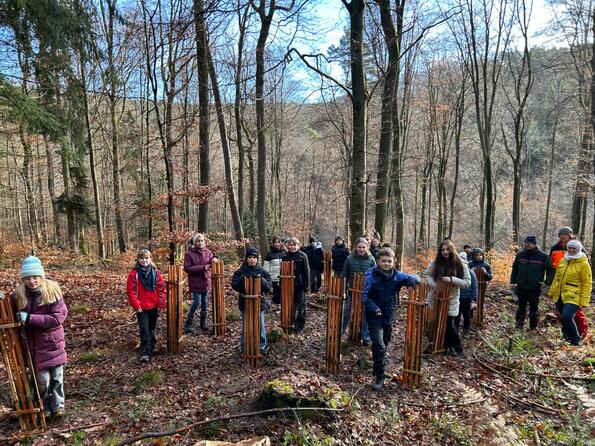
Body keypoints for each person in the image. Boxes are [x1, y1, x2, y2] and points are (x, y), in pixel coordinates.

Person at [13, 256, 68, 418]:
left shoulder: (52, 292)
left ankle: (59, 406)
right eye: (28, 278)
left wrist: (29, 318)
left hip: (53, 343)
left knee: (57, 377)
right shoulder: (18, 295)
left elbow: (57, 318)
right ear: (23, 279)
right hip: (33, 346)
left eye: (35, 277)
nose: (32, 281)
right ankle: (46, 406)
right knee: (43, 380)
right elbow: (8, 312)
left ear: (41, 276)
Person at [362, 247, 420, 391]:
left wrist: (411, 282)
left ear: (394, 261)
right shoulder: (371, 276)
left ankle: (377, 366)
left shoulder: (396, 275)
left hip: (389, 315)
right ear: (378, 261)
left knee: (384, 343)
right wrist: (374, 308)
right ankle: (380, 376)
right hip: (374, 316)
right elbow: (365, 296)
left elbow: (415, 277)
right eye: (384, 261)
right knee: (379, 345)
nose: (386, 264)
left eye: (389, 261)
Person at [424, 240, 471, 356]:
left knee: (449, 325)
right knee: (438, 322)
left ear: (452, 250)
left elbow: (467, 282)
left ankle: (458, 348)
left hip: (451, 298)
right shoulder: (436, 263)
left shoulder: (460, 264)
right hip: (436, 297)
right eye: (443, 250)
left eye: (447, 249)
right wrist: (435, 286)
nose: (445, 252)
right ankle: (444, 347)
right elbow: (427, 274)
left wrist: (452, 279)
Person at [547, 240, 592, 346]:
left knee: (567, 316)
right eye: (569, 248)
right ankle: (566, 338)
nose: (571, 250)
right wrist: (552, 292)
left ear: (578, 250)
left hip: (574, 295)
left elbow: (587, 283)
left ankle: (576, 340)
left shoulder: (584, 264)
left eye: (574, 248)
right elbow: (557, 278)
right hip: (560, 294)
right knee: (562, 317)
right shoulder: (563, 260)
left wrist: (584, 300)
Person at [127, 249, 166, 363]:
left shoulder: (155, 272)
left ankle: (152, 346)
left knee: (152, 327)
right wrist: (136, 305)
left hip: (153, 305)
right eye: (142, 258)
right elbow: (131, 291)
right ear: (138, 260)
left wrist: (161, 302)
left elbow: (160, 288)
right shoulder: (134, 273)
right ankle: (145, 351)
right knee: (144, 329)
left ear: (150, 259)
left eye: (146, 258)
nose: (144, 260)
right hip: (141, 307)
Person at [510, 235, 555, 330]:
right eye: (526, 243)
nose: (527, 245)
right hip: (521, 286)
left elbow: (551, 270)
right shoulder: (520, 255)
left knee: (534, 308)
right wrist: (513, 281)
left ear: (535, 244)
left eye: (529, 243)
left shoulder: (543, 256)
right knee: (521, 307)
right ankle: (519, 326)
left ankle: (533, 327)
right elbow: (515, 269)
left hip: (535, 287)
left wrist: (546, 282)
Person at [231, 247, 272, 354]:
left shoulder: (262, 271)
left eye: (254, 258)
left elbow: (268, 288)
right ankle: (244, 346)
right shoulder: (240, 271)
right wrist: (243, 278)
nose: (252, 260)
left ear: (257, 259)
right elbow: (235, 286)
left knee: (260, 325)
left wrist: (261, 279)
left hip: (259, 303)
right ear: (246, 259)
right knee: (246, 325)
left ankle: (261, 346)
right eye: (250, 257)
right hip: (245, 302)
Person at [341, 237, 376, 345]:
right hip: (352, 291)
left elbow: (375, 276)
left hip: (367, 292)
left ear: (367, 248)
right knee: (347, 312)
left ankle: (365, 336)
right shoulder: (349, 259)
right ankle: (340, 333)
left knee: (366, 314)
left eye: (363, 247)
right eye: (359, 247)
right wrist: (344, 291)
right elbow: (344, 276)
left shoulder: (371, 259)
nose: (361, 249)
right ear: (355, 247)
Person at [183, 233, 216, 333]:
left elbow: (211, 258)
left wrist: (214, 258)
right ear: (194, 242)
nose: (200, 243)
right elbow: (187, 268)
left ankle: (203, 322)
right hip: (195, 282)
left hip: (206, 281)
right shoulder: (189, 254)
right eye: (198, 241)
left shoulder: (207, 251)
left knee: (205, 303)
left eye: (202, 241)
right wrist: (203, 267)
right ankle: (188, 323)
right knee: (197, 302)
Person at [282, 237, 310, 333]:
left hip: (300, 285)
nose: (293, 247)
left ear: (298, 246)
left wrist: (307, 285)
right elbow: (282, 272)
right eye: (291, 245)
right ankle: (289, 322)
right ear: (288, 246)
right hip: (288, 285)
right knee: (289, 305)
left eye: (295, 245)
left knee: (301, 306)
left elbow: (307, 271)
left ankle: (299, 325)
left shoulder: (303, 256)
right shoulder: (285, 256)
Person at [455, 252, 477, 336]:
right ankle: (456, 330)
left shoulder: (471, 273)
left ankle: (466, 330)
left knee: (466, 315)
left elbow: (474, 286)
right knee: (457, 314)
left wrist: (474, 299)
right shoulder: (456, 272)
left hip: (467, 298)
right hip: (457, 297)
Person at [263, 236, 285, 311]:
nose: (277, 244)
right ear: (272, 244)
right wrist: (267, 278)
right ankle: (277, 306)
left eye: (278, 242)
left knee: (282, 292)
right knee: (276, 292)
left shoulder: (284, 253)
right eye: (275, 242)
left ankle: (274, 303)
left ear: (281, 243)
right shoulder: (269, 254)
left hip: (284, 277)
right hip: (274, 278)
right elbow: (266, 267)